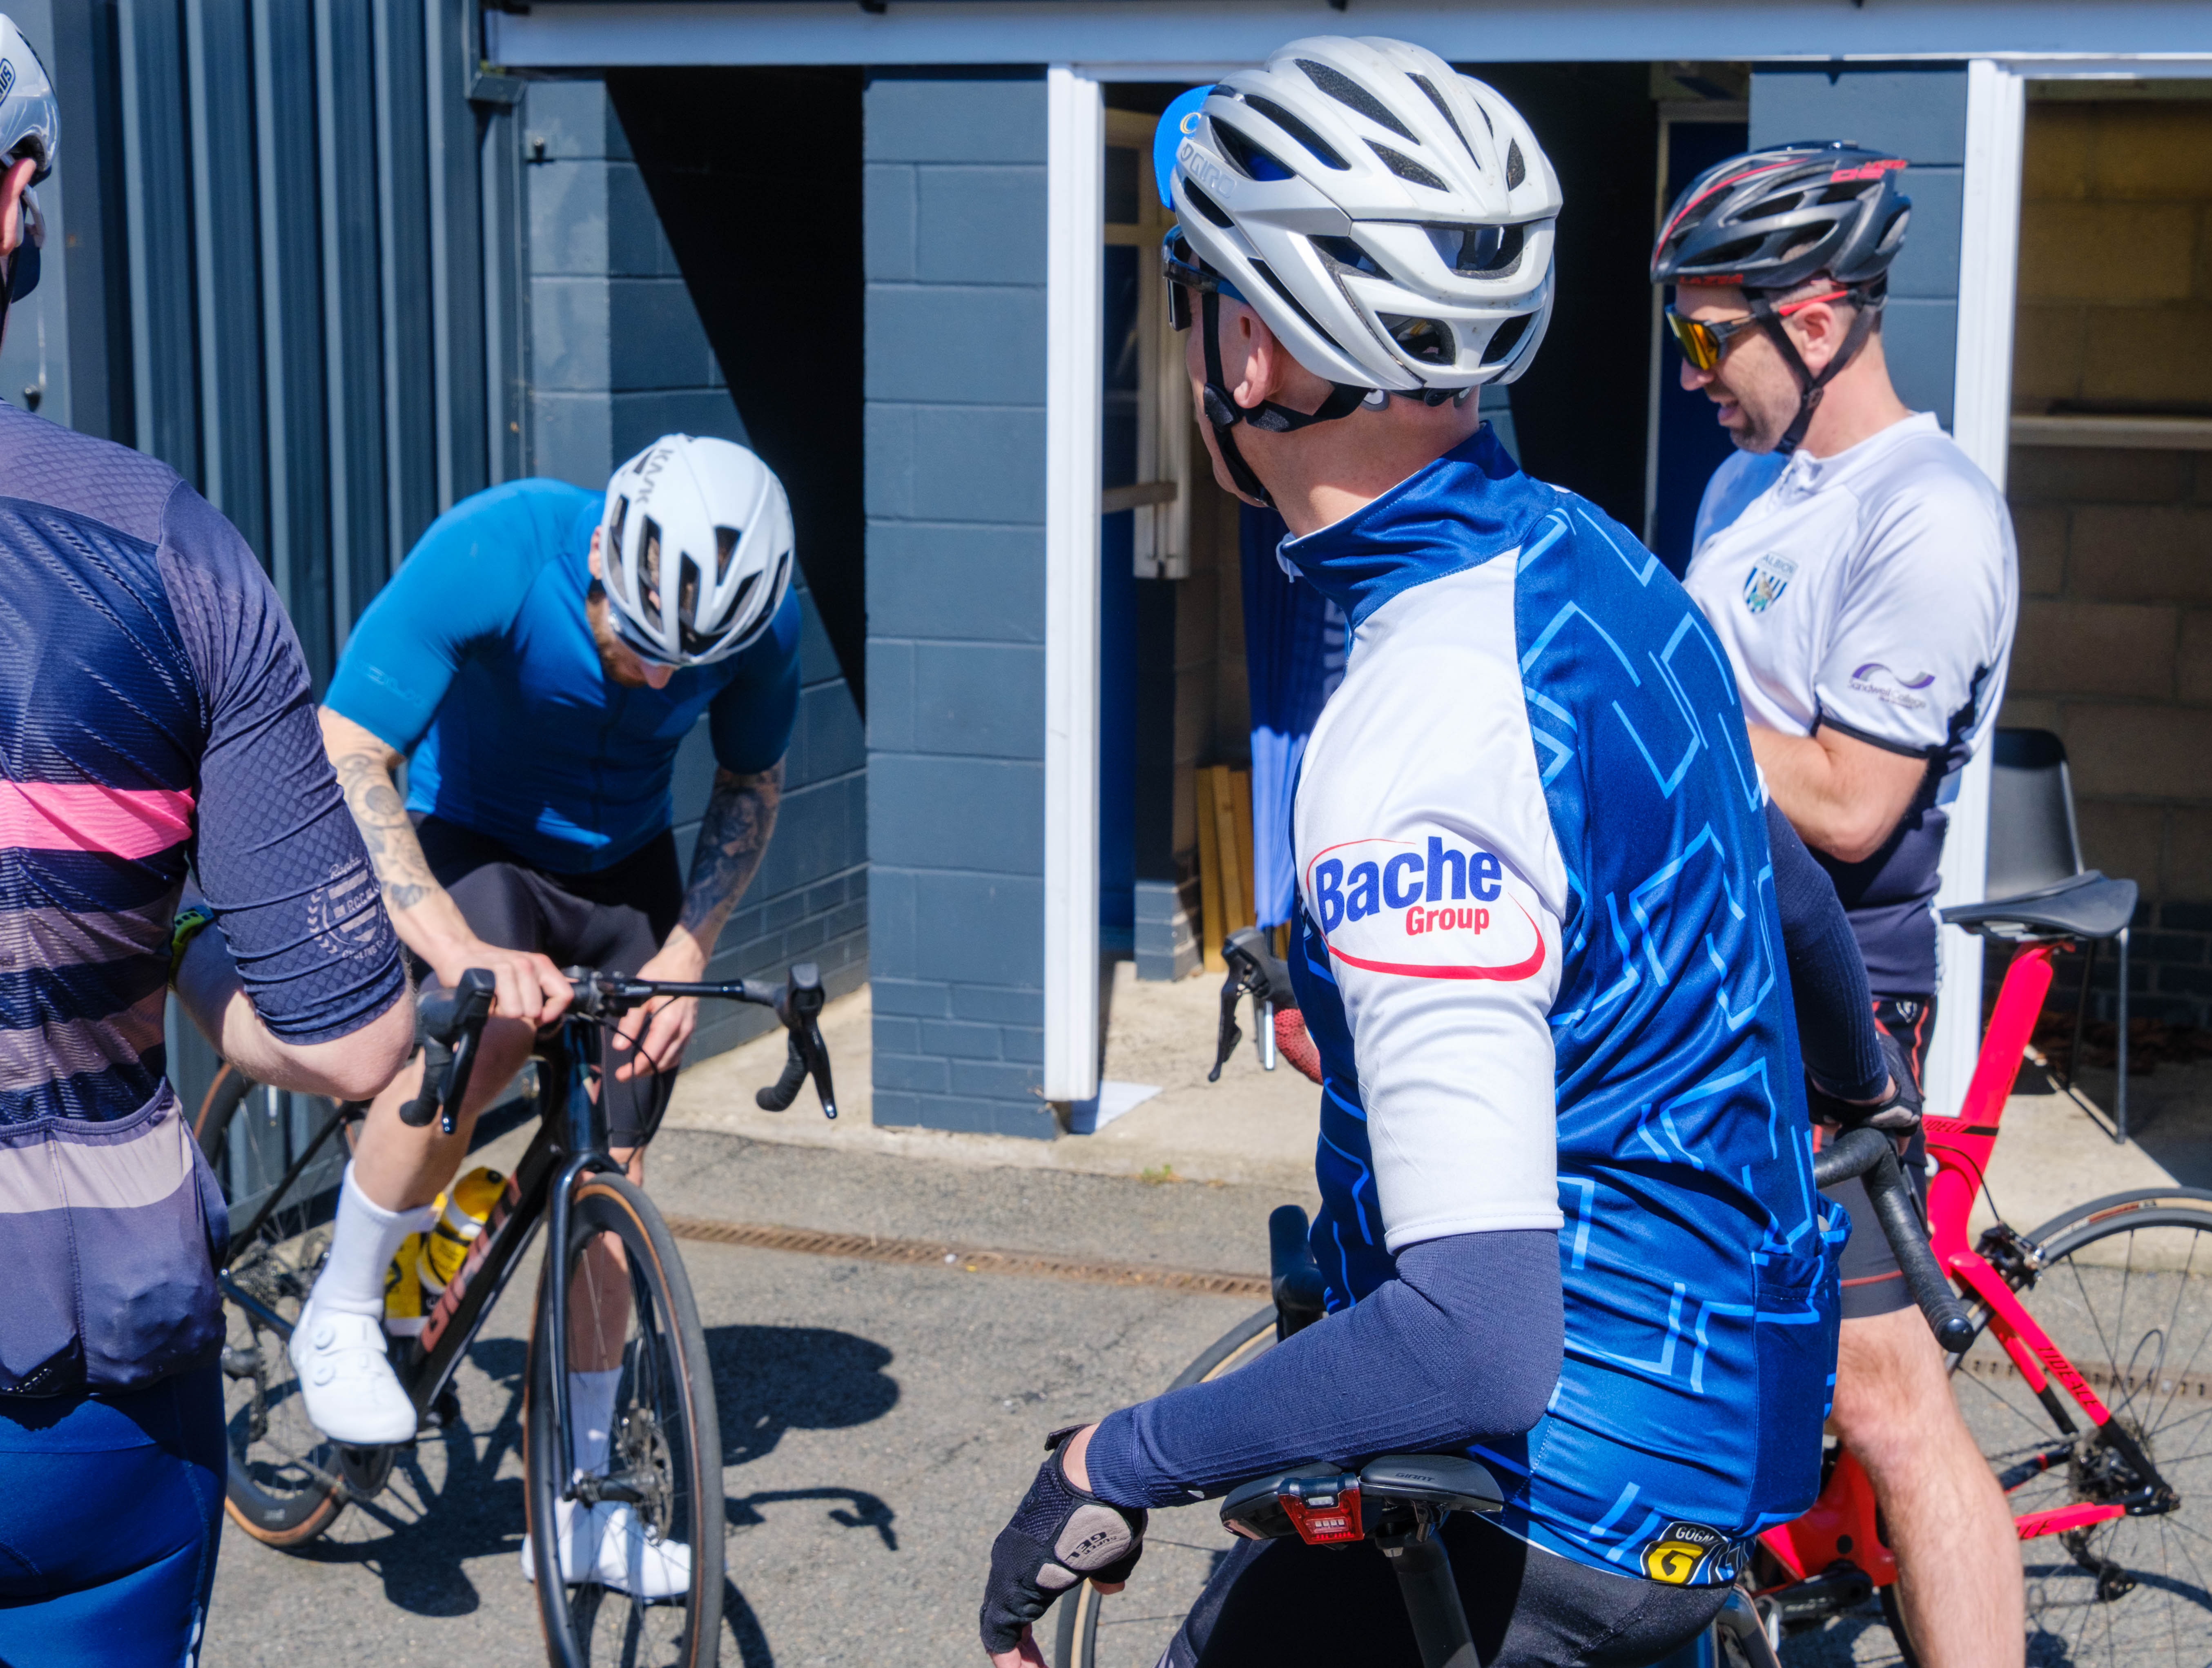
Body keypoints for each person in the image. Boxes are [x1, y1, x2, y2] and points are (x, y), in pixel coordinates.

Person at [977, 41, 1911, 1667]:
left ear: (1251, 349)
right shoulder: (1600, 564)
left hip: (1535, 1512)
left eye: (1190, 294)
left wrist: (1109, 1456)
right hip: (1701, 1485)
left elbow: (1473, 1336)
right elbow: (1777, 882)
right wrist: (1855, 1087)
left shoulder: (1422, 709)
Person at [0, 18, 415, 1664]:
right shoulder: (159, 550)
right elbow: (356, 1032)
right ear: (15, 201)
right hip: (80, 1414)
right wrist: (155, 927)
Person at [292, 434, 803, 1597]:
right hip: (476, 843)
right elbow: (349, 751)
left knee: (611, 1176)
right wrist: (463, 951)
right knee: (491, 1031)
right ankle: (341, 1306)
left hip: (627, 875)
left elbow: (750, 782)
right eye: (643, 644)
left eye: (695, 665)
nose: (662, 682)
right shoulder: (500, 547)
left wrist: (688, 948)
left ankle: (578, 1508)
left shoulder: (764, 625)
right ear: (602, 558)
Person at [1654, 144, 2025, 1666]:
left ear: (1811, 324)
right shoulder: (1753, 484)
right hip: (1702, 961)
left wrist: (1652, 693)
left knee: (1885, 1399)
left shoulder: (1928, 515)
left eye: (1703, 337)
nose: (1691, 381)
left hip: (1836, 990)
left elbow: (1851, 801)